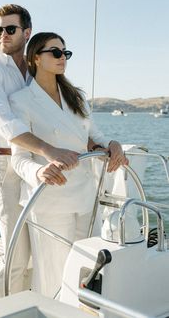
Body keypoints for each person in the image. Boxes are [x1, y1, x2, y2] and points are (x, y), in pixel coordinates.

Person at [0, 4, 80, 297]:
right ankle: (8, 311)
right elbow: (5, 122)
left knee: (43, 248)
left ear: (26, 32)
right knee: (16, 256)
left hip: (39, 167)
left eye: (9, 29)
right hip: (7, 167)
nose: (2, 35)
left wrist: (93, 143)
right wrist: (48, 149)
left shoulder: (34, 71)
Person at [9, 32, 128, 298]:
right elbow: (19, 158)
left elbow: (95, 136)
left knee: (89, 270)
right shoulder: (21, 100)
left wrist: (114, 144)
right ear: (36, 58)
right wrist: (38, 171)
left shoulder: (76, 96)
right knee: (54, 274)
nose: (63, 58)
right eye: (56, 52)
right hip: (51, 199)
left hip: (86, 198)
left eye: (65, 53)